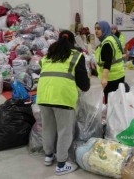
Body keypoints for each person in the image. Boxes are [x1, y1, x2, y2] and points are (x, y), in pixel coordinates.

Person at [36, 30, 90, 175]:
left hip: (43, 96)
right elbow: (84, 85)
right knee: (64, 131)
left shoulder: (47, 57)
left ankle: (48, 156)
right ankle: (61, 164)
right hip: (63, 97)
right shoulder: (76, 56)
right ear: (72, 43)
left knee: (48, 127)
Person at [95, 21, 125, 103]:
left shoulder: (106, 43)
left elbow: (107, 62)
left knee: (110, 102)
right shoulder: (112, 38)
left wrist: (104, 78)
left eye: (99, 28)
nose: (96, 31)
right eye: (95, 28)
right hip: (119, 74)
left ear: (104, 29)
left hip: (112, 77)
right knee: (118, 101)